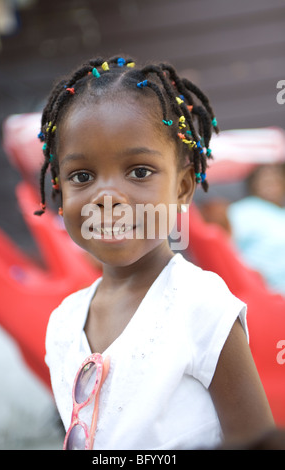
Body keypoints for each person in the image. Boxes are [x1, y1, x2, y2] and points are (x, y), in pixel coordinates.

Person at [37, 55, 274, 450]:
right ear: (61, 191)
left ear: (182, 188)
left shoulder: (201, 306)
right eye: (82, 176)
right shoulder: (62, 324)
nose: (107, 196)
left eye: (139, 171)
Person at [228, 163, 285, 296]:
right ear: (253, 185)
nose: (270, 184)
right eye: (265, 180)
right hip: (264, 291)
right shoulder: (242, 211)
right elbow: (226, 249)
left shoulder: (280, 213)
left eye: (275, 179)